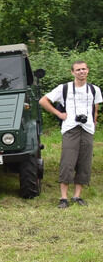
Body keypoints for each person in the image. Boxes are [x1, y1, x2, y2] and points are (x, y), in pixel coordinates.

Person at [39, 60, 103, 207]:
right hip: (70, 128)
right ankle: (63, 198)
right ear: (72, 72)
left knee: (84, 162)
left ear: (88, 71)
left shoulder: (94, 89)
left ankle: (77, 196)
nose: (81, 72)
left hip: (87, 129)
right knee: (67, 162)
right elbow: (43, 101)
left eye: (84, 69)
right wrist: (59, 114)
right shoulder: (64, 88)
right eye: (78, 70)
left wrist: (93, 122)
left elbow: (95, 108)